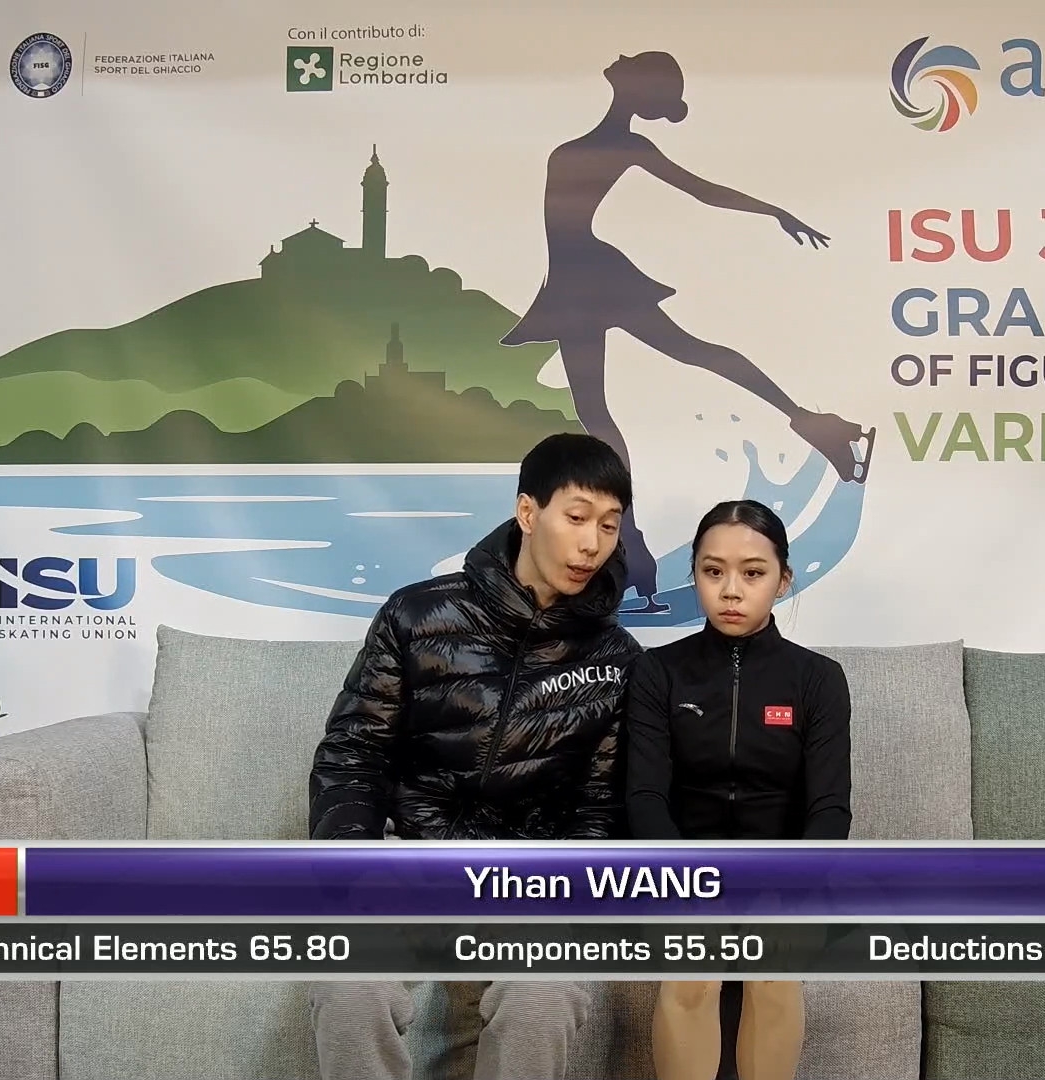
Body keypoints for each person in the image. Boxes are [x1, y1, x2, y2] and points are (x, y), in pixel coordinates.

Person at [306, 432, 643, 1080]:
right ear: (527, 512)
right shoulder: (416, 615)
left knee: (544, 995)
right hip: (412, 860)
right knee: (350, 984)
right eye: (577, 518)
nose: (592, 544)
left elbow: (601, 807)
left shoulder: (617, 660)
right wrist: (354, 865)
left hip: (532, 879)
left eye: (608, 525)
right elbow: (353, 754)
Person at [502, 50, 875, 613]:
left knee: (640, 385)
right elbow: (698, 192)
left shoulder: (617, 147)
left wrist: (772, 210)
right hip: (580, 277)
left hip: (585, 277)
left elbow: (703, 191)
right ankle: (634, 542)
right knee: (624, 395)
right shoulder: (614, 147)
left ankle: (633, 546)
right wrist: (773, 211)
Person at [624, 499, 853, 1080]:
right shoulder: (657, 672)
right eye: (713, 571)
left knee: (772, 970)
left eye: (753, 573)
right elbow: (645, 797)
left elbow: (830, 807)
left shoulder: (818, 679)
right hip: (680, 872)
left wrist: (791, 884)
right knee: (693, 973)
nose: (731, 590)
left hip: (784, 873)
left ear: (783, 580)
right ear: (694, 576)